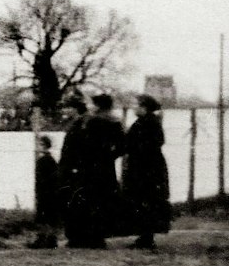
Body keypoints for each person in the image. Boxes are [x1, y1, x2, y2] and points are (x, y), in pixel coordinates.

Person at [59, 92, 123, 248]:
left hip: (89, 169)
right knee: (92, 201)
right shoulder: (103, 121)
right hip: (97, 168)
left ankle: (88, 238)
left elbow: (83, 147)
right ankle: (90, 237)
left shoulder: (92, 122)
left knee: (89, 201)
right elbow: (119, 145)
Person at [123, 94, 170, 250]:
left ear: (143, 107)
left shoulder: (150, 122)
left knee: (147, 199)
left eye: (135, 104)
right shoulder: (143, 122)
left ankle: (147, 236)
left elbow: (156, 142)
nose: (133, 107)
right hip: (143, 166)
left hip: (147, 168)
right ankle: (144, 235)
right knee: (142, 200)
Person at [29, 134, 60, 249]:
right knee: (49, 216)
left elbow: (43, 178)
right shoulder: (51, 160)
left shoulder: (44, 161)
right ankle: (51, 239)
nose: (38, 146)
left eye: (41, 144)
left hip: (45, 192)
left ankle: (42, 239)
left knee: (43, 216)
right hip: (50, 192)